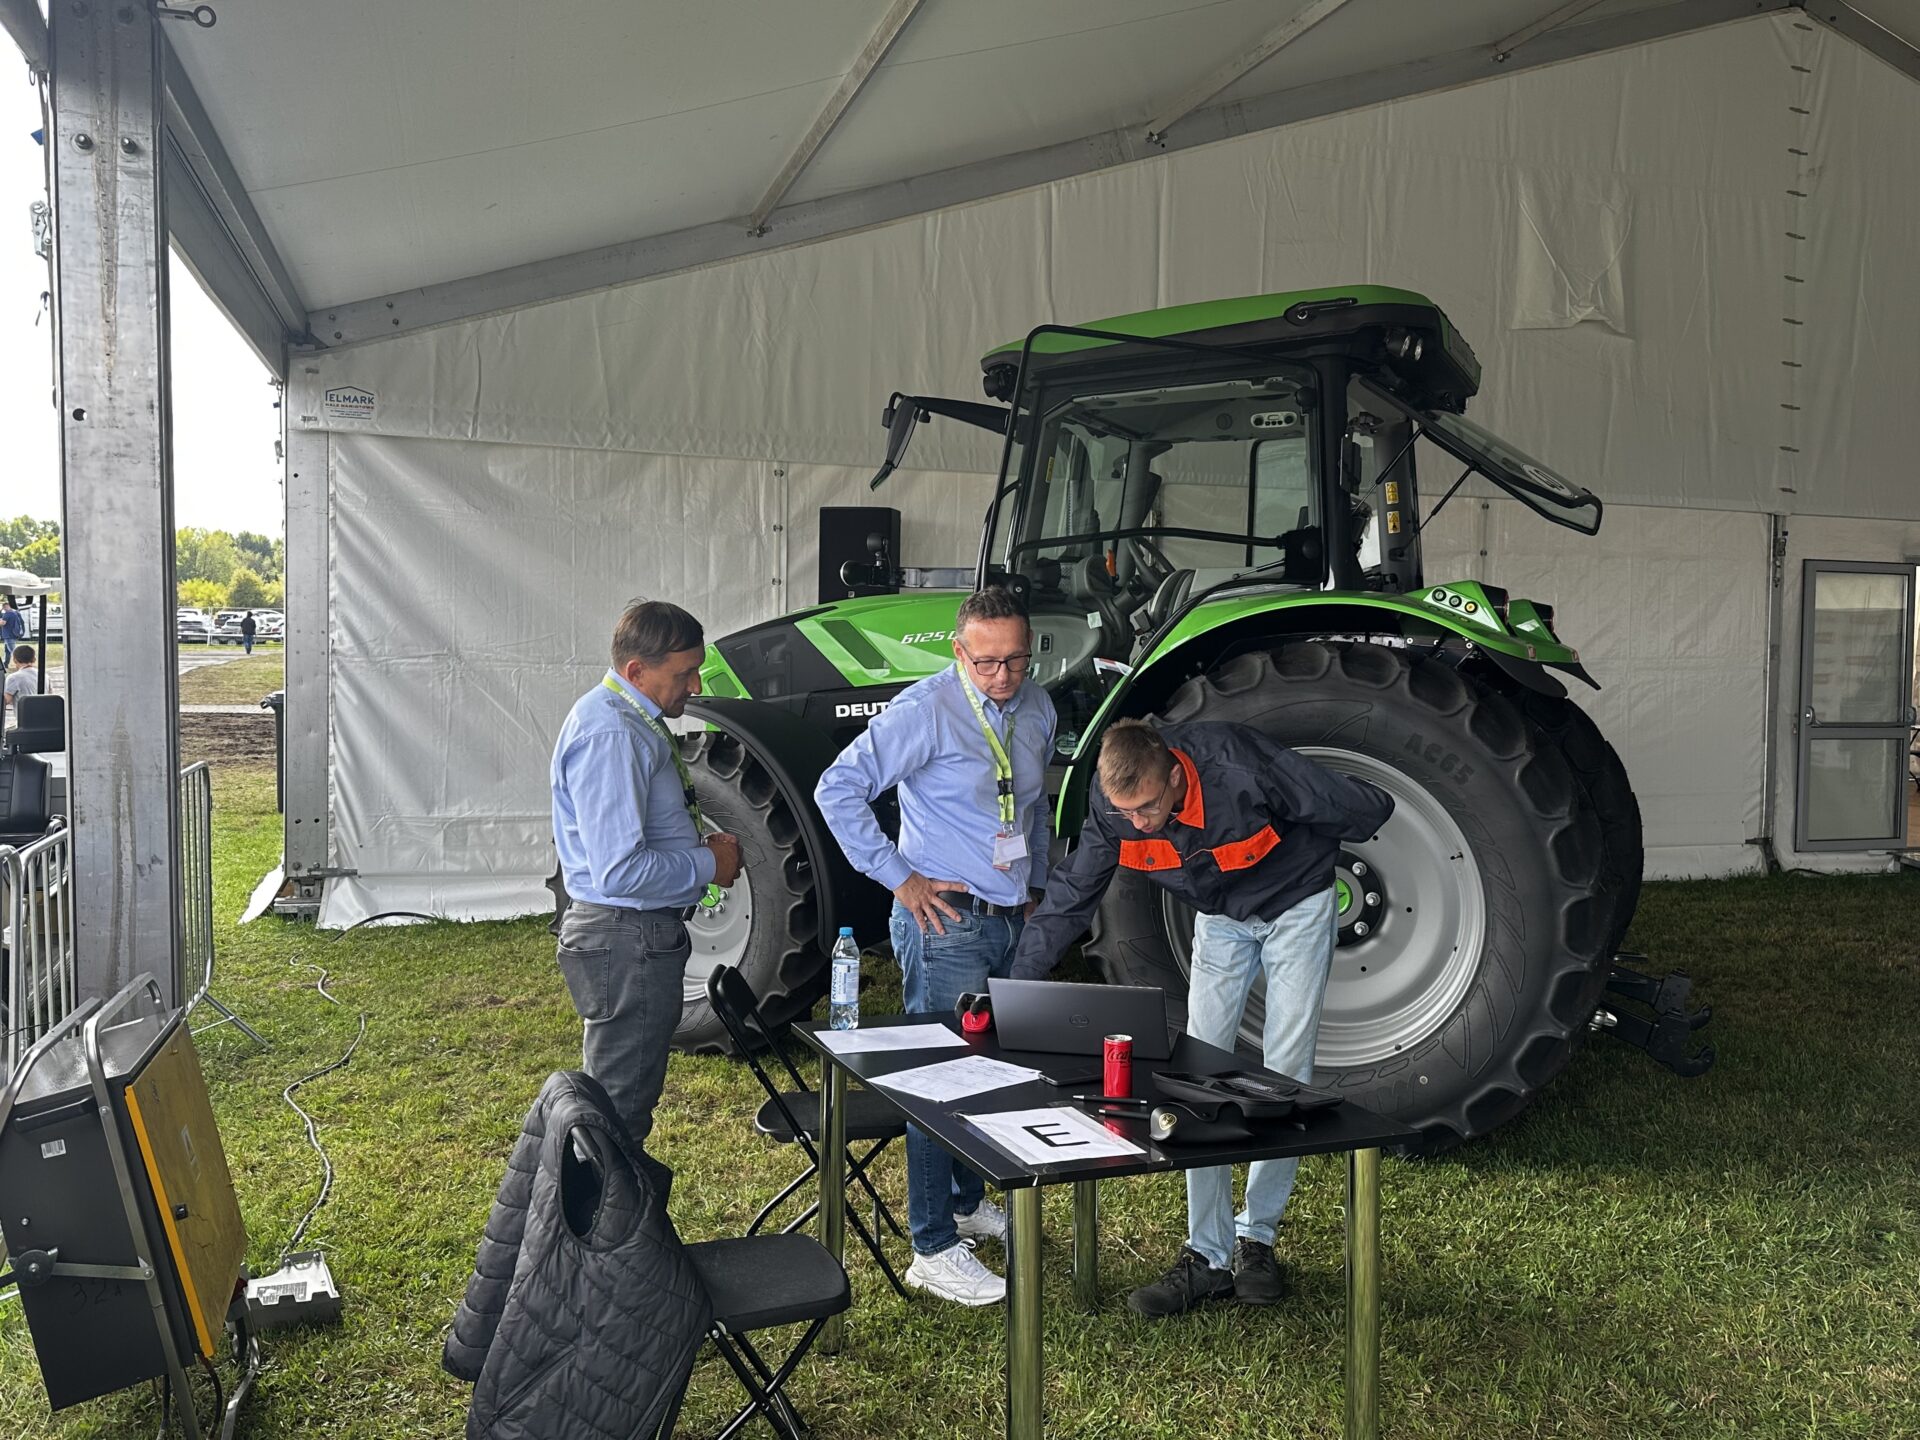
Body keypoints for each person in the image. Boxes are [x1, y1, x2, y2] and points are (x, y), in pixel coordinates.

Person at [1010, 717, 1394, 1318]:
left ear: (1172, 773)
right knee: (1195, 1071)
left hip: (1296, 903)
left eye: (1145, 809)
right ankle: (1207, 1255)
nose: (1134, 824)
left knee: (1284, 1071)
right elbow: (1071, 893)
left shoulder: (1238, 764)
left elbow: (1351, 803)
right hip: (1219, 917)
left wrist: (1342, 831)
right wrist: (1017, 984)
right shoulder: (1116, 808)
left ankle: (1258, 1240)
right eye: (1124, 812)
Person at [814, 587, 1057, 1306]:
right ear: (958, 652)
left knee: (988, 1070)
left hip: (1010, 913)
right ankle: (931, 1244)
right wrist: (901, 879)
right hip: (943, 919)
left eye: (1016, 660)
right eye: (985, 663)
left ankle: (962, 1199)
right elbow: (838, 788)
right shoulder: (924, 711)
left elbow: (1034, 805)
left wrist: (1035, 882)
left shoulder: (1038, 707)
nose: (1003, 677)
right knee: (939, 1078)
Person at [550, 599, 742, 1157]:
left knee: (619, 1112)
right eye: (683, 673)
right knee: (616, 1122)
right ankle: (605, 1242)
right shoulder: (612, 733)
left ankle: (610, 1238)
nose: (696, 683)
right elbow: (620, 869)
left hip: (629, 937)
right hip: (626, 937)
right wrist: (710, 864)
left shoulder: (625, 720)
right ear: (636, 671)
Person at [4, 643, 38, 725]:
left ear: (14, 660)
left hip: (25, 723)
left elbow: (5, 701)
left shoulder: (14, 678)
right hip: (44, 721)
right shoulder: (44, 675)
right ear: (34, 659)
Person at [1, 600, 24, 667]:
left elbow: (3, 623)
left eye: (4, 607)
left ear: (6, 607)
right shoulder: (14, 613)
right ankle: (5, 664)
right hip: (12, 634)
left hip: (9, 635)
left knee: (13, 651)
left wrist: (1, 621)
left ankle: (21, 664)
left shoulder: (7, 614)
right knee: (7, 651)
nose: (3, 609)